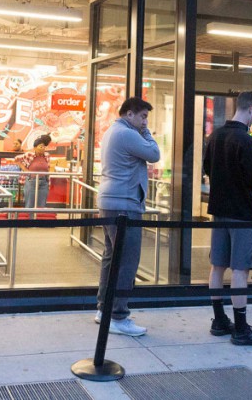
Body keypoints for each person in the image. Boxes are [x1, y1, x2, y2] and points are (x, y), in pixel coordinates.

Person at [203, 91, 252, 347]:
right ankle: (241, 328)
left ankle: (219, 320)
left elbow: (207, 169)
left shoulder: (215, 136)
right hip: (243, 212)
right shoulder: (248, 141)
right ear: (251, 109)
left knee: (217, 266)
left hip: (219, 210)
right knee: (241, 270)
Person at [94, 96, 161, 337]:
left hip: (111, 201)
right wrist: (147, 133)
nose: (145, 122)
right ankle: (118, 316)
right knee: (127, 262)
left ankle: (104, 309)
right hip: (124, 203)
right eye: (143, 116)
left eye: (146, 118)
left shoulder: (113, 131)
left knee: (111, 258)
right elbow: (154, 154)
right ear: (129, 114)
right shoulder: (127, 133)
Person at [16, 134, 52, 218]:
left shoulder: (47, 155)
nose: (43, 148)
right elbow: (17, 159)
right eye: (40, 146)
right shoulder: (29, 155)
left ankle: (39, 220)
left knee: (42, 204)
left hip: (44, 181)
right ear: (35, 147)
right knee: (30, 203)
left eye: (44, 147)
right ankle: (29, 220)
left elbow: (48, 167)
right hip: (32, 181)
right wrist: (26, 170)